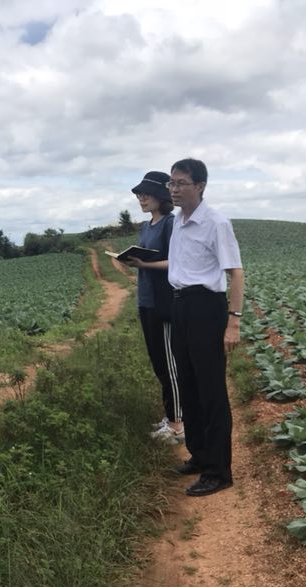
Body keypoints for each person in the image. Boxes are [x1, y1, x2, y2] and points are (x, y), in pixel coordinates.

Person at [166, 158, 245, 497]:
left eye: (181, 183)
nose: (173, 189)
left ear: (200, 186)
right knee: (188, 385)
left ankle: (218, 471)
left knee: (211, 391)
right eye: (171, 183)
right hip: (180, 306)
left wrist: (233, 322)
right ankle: (199, 455)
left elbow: (236, 273)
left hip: (205, 308)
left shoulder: (216, 222)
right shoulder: (177, 221)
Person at [122, 171, 183, 444]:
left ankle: (178, 426)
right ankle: (171, 416)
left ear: (161, 195)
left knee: (170, 365)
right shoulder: (147, 227)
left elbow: (178, 261)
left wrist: (144, 264)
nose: (141, 199)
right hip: (145, 301)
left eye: (146, 194)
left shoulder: (171, 224)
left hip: (163, 303)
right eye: (139, 195)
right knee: (159, 363)